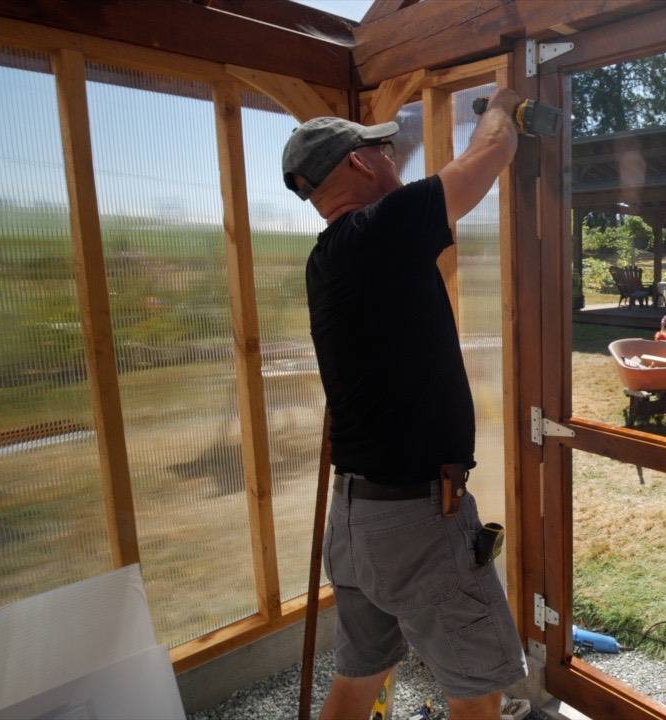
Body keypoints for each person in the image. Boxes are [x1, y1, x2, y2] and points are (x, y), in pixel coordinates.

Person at [281, 87, 526, 720]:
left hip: (356, 518)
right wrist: (502, 106)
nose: (393, 159)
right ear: (358, 163)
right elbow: (487, 156)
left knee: (358, 678)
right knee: (478, 691)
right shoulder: (380, 231)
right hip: (416, 520)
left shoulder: (328, 257)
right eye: (383, 150)